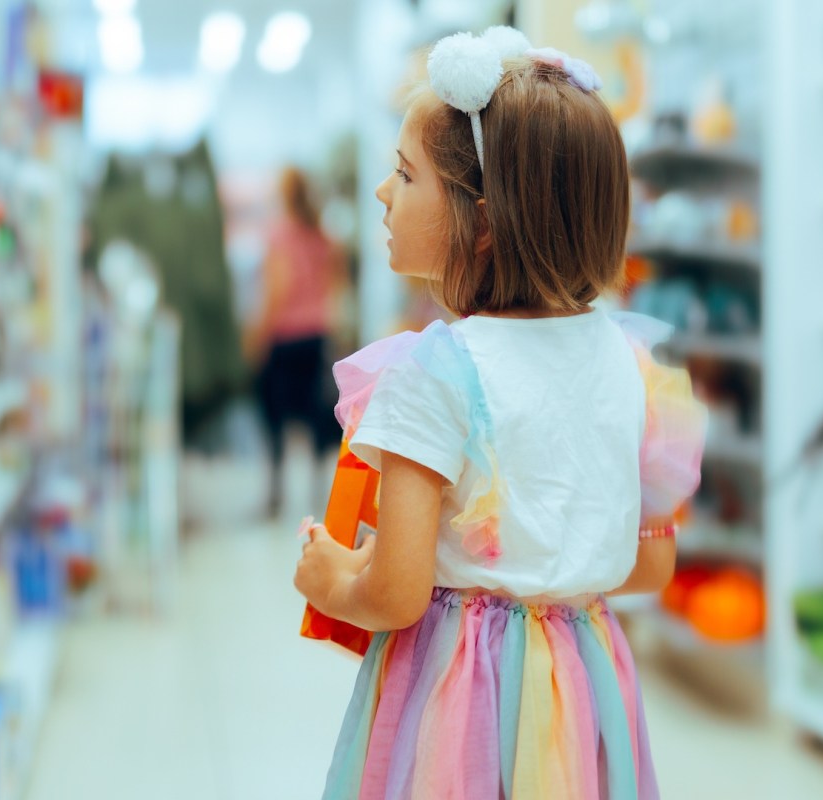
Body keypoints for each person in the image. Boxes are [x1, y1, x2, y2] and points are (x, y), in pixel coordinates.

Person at [293, 27, 706, 799]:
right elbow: (650, 562)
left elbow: (396, 593)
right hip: (584, 688)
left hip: (461, 699)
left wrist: (333, 580)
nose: (382, 193)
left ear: (481, 224)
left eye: (404, 173)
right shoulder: (634, 366)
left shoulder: (436, 372)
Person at [249, 167, 346, 518]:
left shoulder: (279, 236)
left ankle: (276, 491)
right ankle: (319, 489)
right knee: (316, 413)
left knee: (275, 416)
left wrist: (257, 336)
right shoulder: (324, 236)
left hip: (285, 337)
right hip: (317, 336)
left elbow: (277, 289)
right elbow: (337, 285)